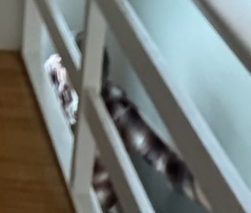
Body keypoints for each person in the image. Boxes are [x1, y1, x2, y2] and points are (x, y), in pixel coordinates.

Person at [45, 41, 211, 211]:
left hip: (89, 200)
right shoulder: (54, 70)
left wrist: (214, 198)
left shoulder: (117, 110)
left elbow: (165, 161)